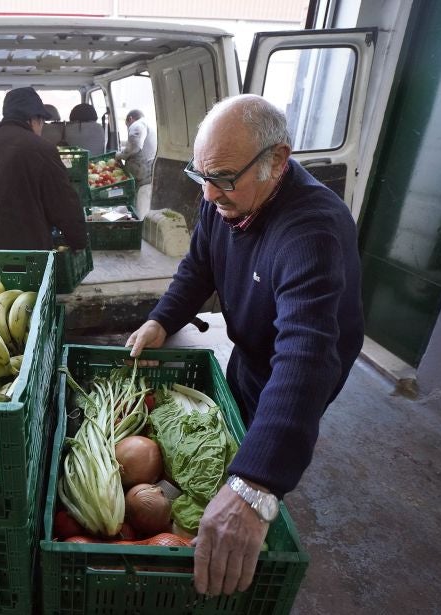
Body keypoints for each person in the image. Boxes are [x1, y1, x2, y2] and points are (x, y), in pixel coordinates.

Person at [126, 94, 364, 597]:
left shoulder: (312, 229)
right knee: (229, 433)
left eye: (225, 179)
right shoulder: (222, 194)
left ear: (278, 160)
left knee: (255, 459)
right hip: (250, 353)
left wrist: (254, 487)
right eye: (201, 176)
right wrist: (161, 320)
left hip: (295, 367)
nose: (210, 194)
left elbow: (305, 358)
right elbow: (199, 265)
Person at [0, 87, 87, 250]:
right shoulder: (42, 149)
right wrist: (79, 242)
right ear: (34, 119)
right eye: (42, 122)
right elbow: (64, 205)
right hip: (20, 261)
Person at [116, 109, 157, 218]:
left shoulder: (137, 124)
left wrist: (119, 155)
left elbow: (134, 146)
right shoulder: (147, 125)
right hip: (146, 174)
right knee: (141, 204)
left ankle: (140, 230)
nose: (128, 128)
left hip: (144, 175)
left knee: (141, 207)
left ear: (130, 119)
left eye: (127, 125)